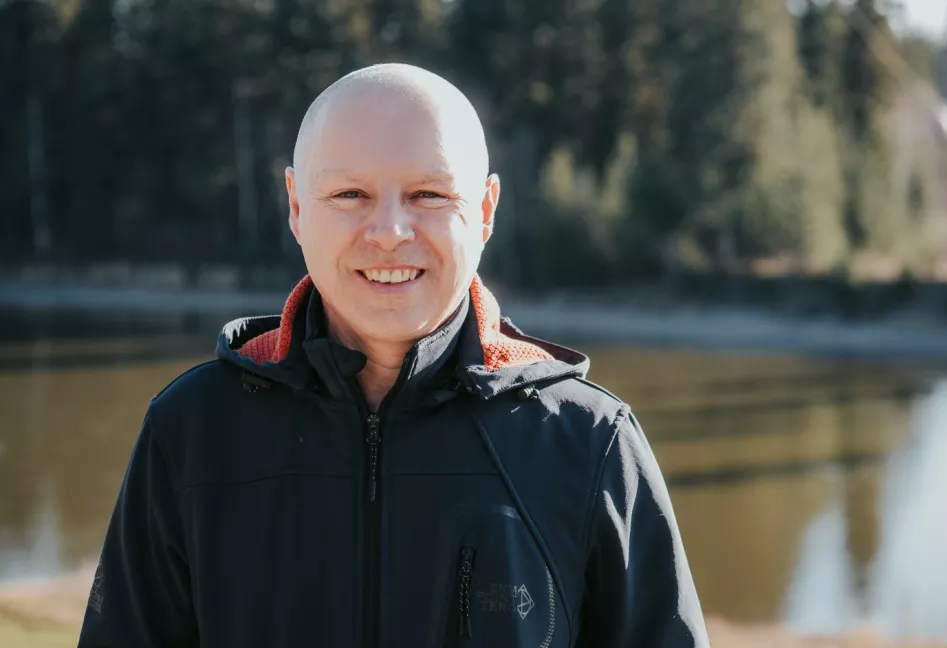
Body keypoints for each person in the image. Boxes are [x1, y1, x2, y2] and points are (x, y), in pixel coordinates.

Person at [77, 63, 708, 647]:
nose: (388, 232)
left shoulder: (588, 443)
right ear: (297, 207)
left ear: (485, 211)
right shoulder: (192, 431)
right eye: (349, 195)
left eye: (429, 195)